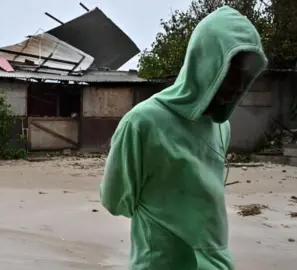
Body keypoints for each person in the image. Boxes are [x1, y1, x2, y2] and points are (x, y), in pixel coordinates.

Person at [99, 6, 268, 270]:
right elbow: (115, 200)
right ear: (205, 63)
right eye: (229, 72)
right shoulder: (142, 123)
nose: (236, 86)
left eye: (244, 76)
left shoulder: (220, 126)